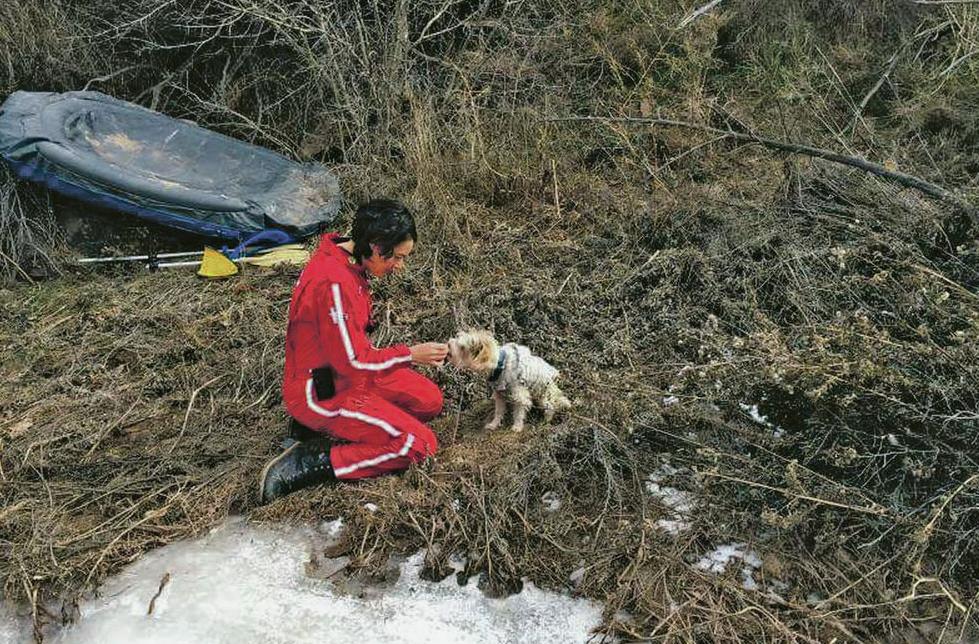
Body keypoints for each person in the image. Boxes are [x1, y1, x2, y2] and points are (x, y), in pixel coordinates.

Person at [259, 199, 449, 503]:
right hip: (323, 392)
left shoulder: (346, 259)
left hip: (346, 375)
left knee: (428, 401)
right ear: (375, 246)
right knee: (418, 444)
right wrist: (410, 354)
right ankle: (309, 462)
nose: (400, 267)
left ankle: (333, 429)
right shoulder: (333, 282)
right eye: (397, 258)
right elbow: (353, 362)